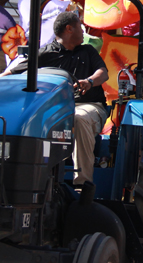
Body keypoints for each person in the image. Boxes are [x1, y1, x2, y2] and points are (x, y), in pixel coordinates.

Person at [38, 11, 109, 186]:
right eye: (80, 26)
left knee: (78, 118)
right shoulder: (45, 54)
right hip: (56, 108)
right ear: (69, 28)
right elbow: (16, 69)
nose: (83, 30)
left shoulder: (88, 51)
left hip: (89, 106)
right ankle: (37, 180)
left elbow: (103, 73)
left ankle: (82, 185)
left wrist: (90, 81)